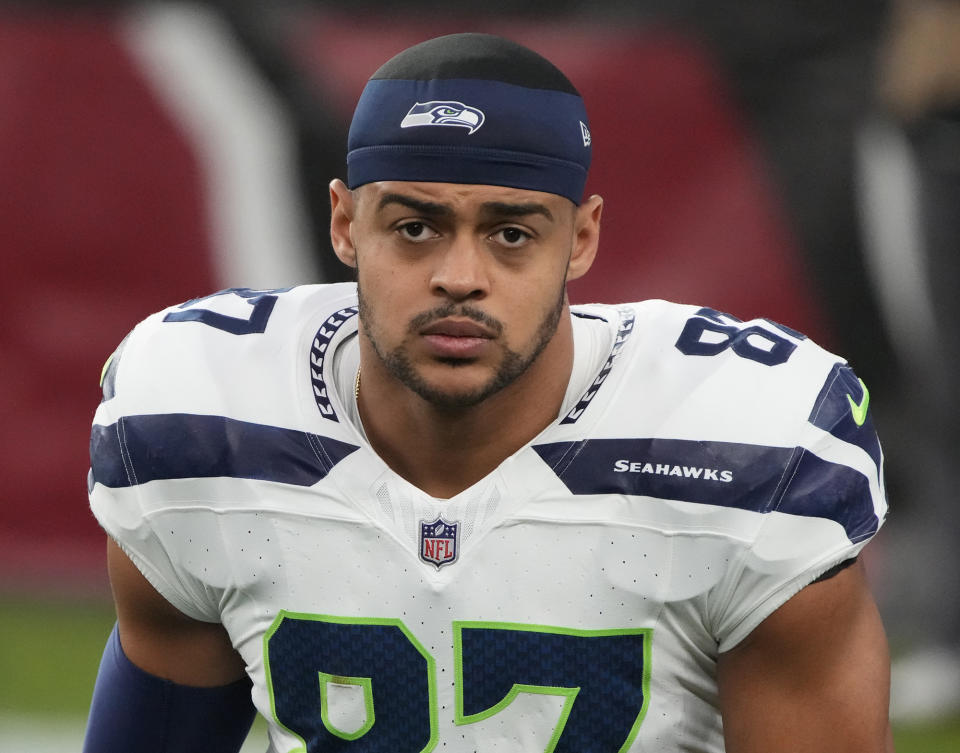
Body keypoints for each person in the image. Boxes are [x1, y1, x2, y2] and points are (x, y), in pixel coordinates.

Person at [83, 33, 892, 753]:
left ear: (581, 238)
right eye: (414, 227)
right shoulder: (201, 420)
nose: (460, 278)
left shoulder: (742, 447)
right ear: (343, 224)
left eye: (511, 233)